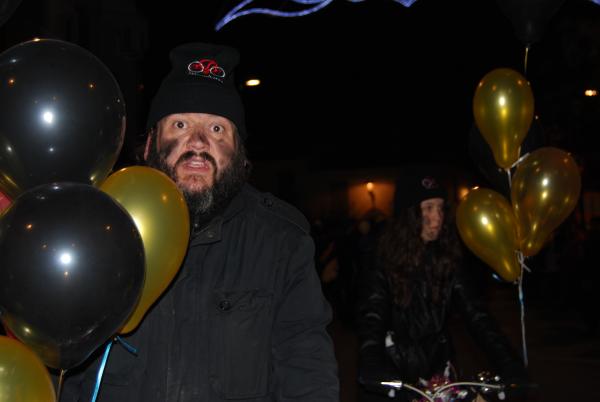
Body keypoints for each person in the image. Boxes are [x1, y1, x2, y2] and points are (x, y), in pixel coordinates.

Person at [61, 42, 339, 401]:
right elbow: (67, 372)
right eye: (180, 124)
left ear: (239, 154)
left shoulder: (282, 243)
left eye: (217, 129)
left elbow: (307, 373)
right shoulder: (101, 232)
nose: (197, 142)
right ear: (149, 146)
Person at [356, 169, 527, 401]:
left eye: (440, 208)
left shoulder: (448, 258)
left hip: (439, 375)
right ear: (410, 213)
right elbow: (372, 315)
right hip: (393, 376)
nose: (437, 217)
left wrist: (508, 361)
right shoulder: (382, 258)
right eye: (428, 208)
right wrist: (371, 360)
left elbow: (476, 314)